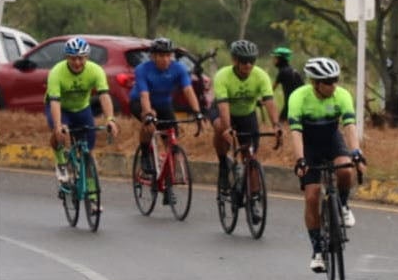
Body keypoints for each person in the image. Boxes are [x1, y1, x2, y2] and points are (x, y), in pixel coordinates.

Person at [289, 57, 364, 272]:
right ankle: (318, 251)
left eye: (335, 80)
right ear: (315, 83)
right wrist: (300, 159)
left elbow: (349, 127)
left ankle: (342, 205)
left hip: (332, 138)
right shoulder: (298, 98)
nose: (334, 85)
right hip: (309, 144)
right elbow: (296, 133)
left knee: (346, 169)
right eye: (328, 82)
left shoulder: (342, 96)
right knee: (312, 197)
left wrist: (357, 152)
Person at [211, 39, 283, 192]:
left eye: (252, 61)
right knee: (220, 127)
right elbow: (223, 105)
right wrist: (228, 128)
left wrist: (276, 125)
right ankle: (223, 164)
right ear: (234, 60)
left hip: (247, 114)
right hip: (224, 111)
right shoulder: (223, 76)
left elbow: (269, 101)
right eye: (244, 61)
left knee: (250, 157)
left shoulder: (260, 75)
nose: (248, 65)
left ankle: (255, 197)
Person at [45, 36, 119, 183]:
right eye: (73, 58)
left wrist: (110, 119)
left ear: (87, 57)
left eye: (81, 58)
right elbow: (55, 102)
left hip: (82, 109)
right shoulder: (56, 72)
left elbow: (104, 96)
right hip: (61, 108)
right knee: (60, 132)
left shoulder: (96, 71)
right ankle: (61, 162)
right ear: (67, 57)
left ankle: (92, 197)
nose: (77, 62)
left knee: (88, 155)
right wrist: (58, 125)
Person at [130, 37, 204, 174]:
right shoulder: (142, 69)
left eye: (168, 55)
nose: (165, 59)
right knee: (150, 123)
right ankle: (145, 153)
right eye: (161, 56)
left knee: (172, 138)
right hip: (140, 101)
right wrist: (148, 115)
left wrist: (197, 112)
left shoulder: (179, 69)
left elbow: (188, 90)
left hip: (164, 103)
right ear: (153, 56)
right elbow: (144, 96)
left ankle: (168, 180)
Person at [272, 46, 304, 122]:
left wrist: (263, 99)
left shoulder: (283, 72)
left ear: (280, 59)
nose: (273, 60)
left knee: (282, 123)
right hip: (299, 103)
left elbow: (272, 89)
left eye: (275, 58)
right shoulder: (293, 70)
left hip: (290, 104)